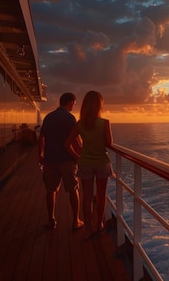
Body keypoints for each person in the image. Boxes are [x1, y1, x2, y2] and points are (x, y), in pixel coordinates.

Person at [65, 91, 114, 238]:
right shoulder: (104, 123)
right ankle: (99, 224)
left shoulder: (80, 124)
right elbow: (109, 143)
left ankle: (88, 229)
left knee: (87, 198)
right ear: (100, 105)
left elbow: (67, 144)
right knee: (100, 196)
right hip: (101, 163)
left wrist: (78, 158)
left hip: (85, 163)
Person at [38, 92, 84, 230]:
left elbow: (41, 138)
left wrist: (40, 155)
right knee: (73, 189)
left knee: (51, 189)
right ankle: (75, 221)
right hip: (67, 160)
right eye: (74, 104)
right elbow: (76, 140)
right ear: (70, 102)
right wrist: (80, 155)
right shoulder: (70, 118)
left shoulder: (49, 117)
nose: (73, 107)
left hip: (50, 159)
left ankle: (51, 219)